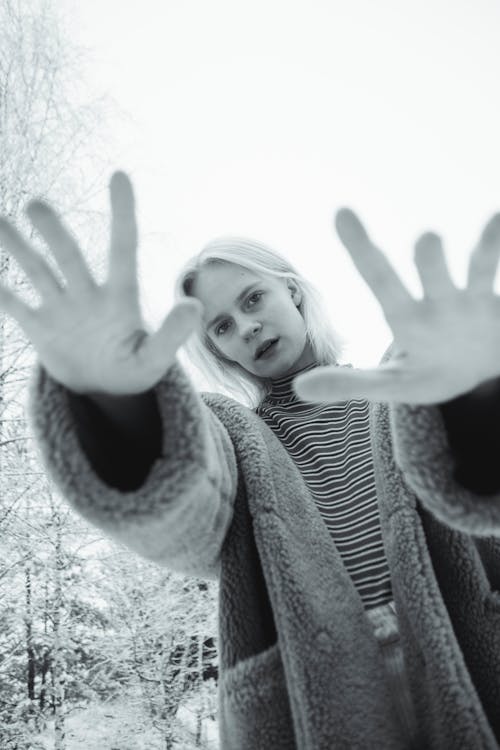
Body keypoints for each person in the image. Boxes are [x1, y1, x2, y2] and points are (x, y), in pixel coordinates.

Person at [1, 170, 500, 749]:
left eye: (252, 298)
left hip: (464, 650)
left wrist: (479, 395)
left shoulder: (407, 385)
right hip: (320, 697)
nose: (247, 326)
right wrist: (121, 407)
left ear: (291, 289)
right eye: (223, 326)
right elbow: (185, 509)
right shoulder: (236, 437)